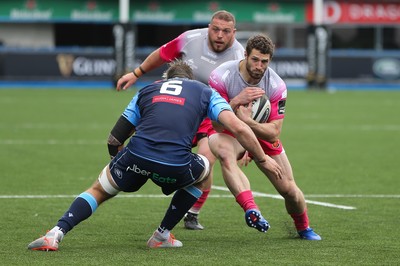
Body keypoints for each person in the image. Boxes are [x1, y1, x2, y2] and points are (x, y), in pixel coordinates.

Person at [27, 60, 283, 251]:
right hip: (177, 165)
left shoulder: (147, 90)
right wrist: (262, 158)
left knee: (100, 188)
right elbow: (238, 127)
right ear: (189, 78)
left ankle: (55, 233)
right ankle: (161, 235)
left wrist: (122, 168)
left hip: (136, 156)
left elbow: (114, 139)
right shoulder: (205, 91)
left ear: (166, 77)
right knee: (204, 174)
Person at [115, 10, 245, 230]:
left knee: (206, 160)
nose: (219, 35)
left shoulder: (239, 57)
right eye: (215, 29)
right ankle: (122, 168)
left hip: (207, 115)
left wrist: (246, 143)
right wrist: (136, 74)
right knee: (144, 141)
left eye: (225, 31)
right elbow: (162, 53)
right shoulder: (190, 38)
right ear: (208, 27)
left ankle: (192, 213)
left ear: (234, 32)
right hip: (174, 106)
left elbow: (242, 101)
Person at [206, 34, 322, 240]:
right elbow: (214, 123)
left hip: (259, 132)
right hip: (229, 131)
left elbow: (274, 131)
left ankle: (304, 227)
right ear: (245, 55)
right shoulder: (221, 76)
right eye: (255, 59)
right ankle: (251, 209)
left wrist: (249, 122)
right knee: (224, 153)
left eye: (265, 62)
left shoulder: (276, 85)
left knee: (289, 190)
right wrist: (235, 102)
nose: (259, 66)